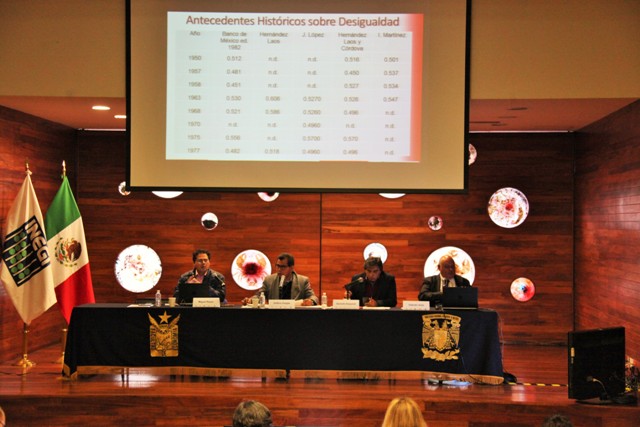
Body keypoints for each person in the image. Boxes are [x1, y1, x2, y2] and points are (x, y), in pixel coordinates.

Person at [242, 253, 318, 306]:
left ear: (291, 268)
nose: (279, 269)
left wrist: (311, 301)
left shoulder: (303, 281)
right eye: (277, 266)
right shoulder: (269, 280)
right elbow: (259, 295)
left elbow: (313, 297)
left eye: (283, 267)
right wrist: (250, 300)